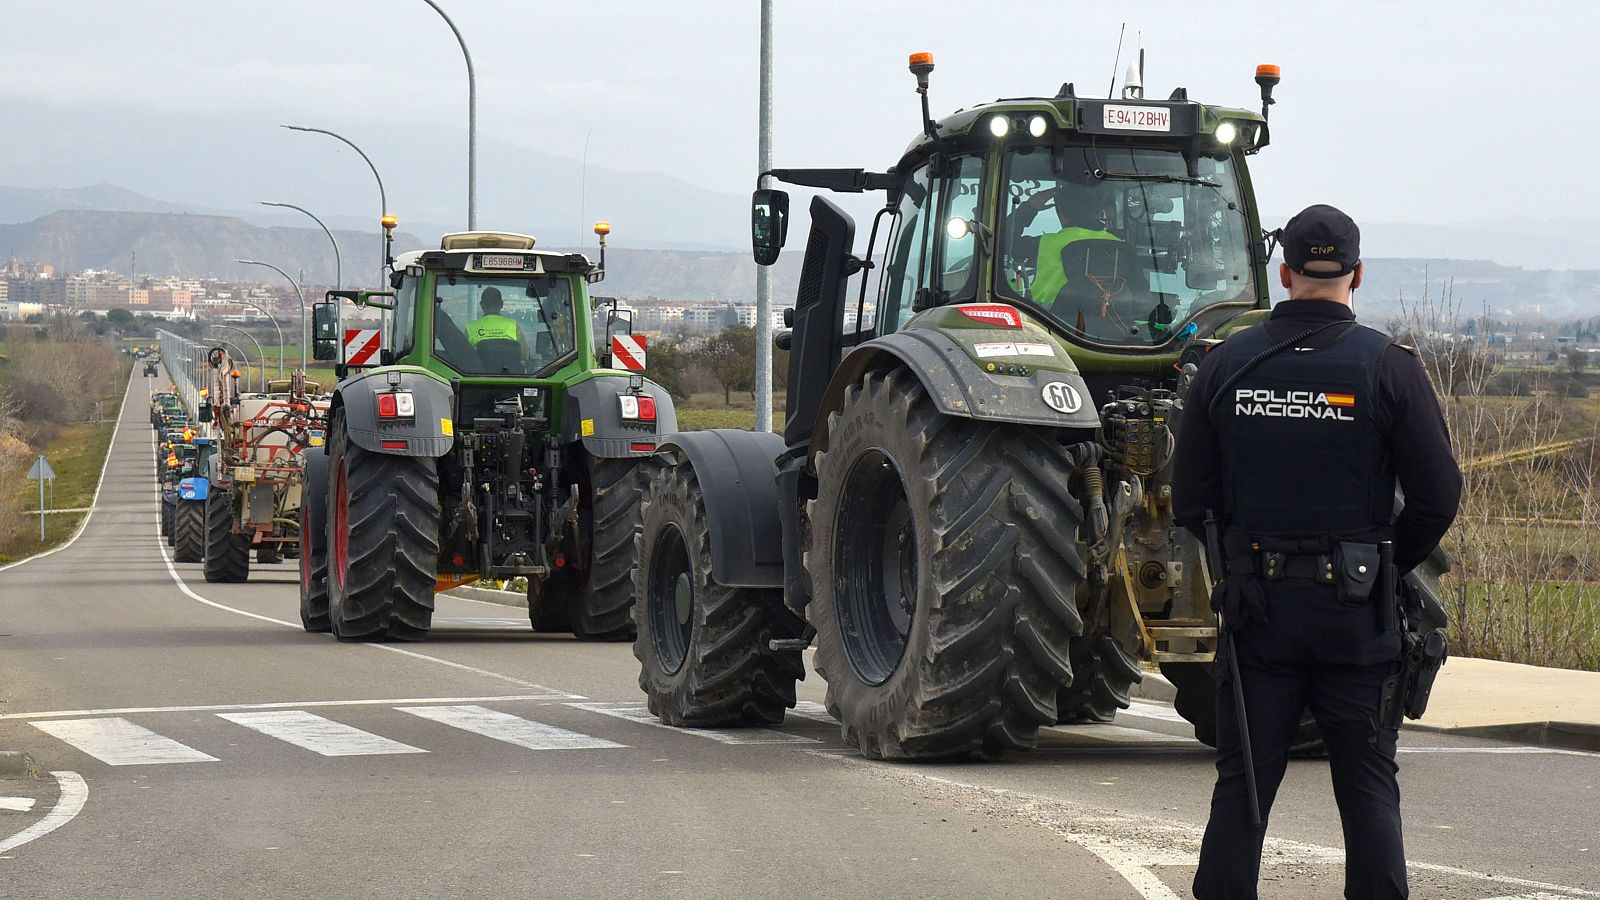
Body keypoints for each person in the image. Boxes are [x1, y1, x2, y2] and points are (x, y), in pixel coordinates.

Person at [1172, 204, 1462, 900]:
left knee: (1242, 788)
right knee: (1367, 788)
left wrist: (1239, 567)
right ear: (1357, 274)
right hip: (1356, 616)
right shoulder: (1389, 368)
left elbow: (1190, 502)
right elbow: (1439, 493)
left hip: (1258, 611)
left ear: (1285, 273)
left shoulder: (1225, 366)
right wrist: (1389, 563)